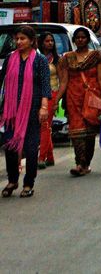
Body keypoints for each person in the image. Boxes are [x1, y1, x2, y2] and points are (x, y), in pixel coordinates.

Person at [0, 26, 51, 198]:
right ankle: (12, 180)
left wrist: (44, 107)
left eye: (22, 38)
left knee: (30, 148)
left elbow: (45, 84)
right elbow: (2, 82)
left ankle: (29, 183)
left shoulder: (40, 60)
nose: (19, 42)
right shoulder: (9, 59)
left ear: (31, 40)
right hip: (11, 110)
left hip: (32, 109)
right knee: (10, 146)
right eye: (17, 39)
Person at [55, 27, 101, 177]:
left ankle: (86, 164)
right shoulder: (67, 58)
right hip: (73, 97)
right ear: (74, 40)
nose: (80, 40)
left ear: (88, 39)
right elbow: (64, 82)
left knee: (89, 133)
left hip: (92, 97)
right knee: (77, 132)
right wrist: (56, 100)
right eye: (78, 37)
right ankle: (79, 163)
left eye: (83, 37)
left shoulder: (96, 57)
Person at [37, 32, 60, 169]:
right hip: (38, 96)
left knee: (45, 125)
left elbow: (62, 79)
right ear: (41, 42)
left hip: (52, 94)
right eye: (47, 41)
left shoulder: (57, 59)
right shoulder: (37, 58)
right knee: (45, 126)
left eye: (52, 40)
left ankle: (41, 157)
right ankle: (50, 157)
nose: (50, 43)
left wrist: (58, 99)